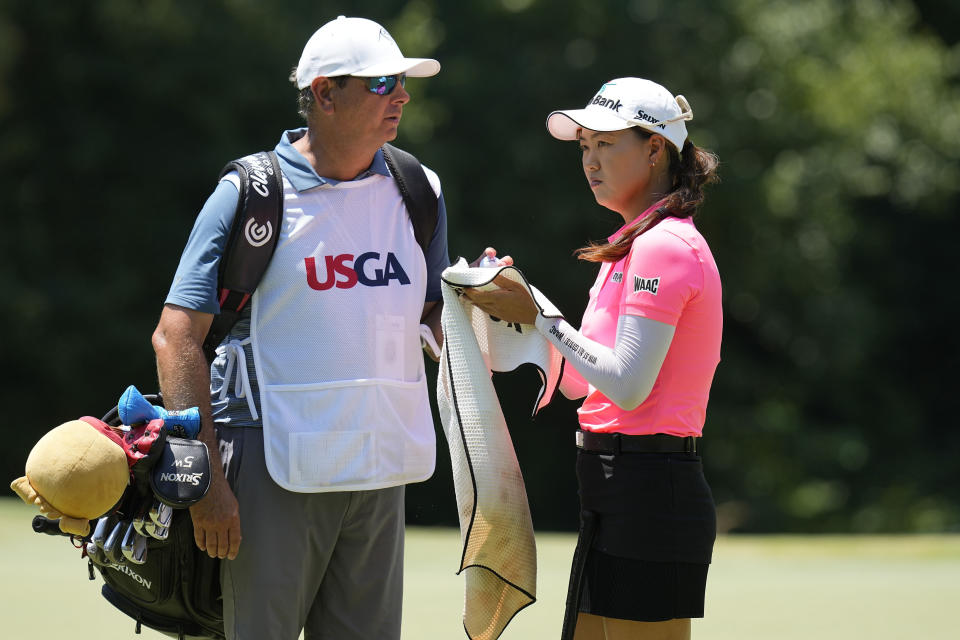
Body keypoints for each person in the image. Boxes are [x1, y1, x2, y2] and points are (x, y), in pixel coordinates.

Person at [152, 16, 453, 640]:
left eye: (402, 82)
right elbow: (176, 335)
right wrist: (204, 479)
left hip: (379, 464)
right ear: (324, 93)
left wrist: (484, 311)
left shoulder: (418, 188)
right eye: (382, 82)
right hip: (272, 461)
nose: (401, 95)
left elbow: (432, 313)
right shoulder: (250, 193)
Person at [463, 77, 722, 640]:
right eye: (585, 146)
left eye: (605, 144)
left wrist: (539, 314)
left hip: (651, 489)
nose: (590, 160)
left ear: (655, 149)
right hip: (610, 485)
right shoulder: (628, 246)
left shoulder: (664, 245)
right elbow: (584, 381)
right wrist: (513, 302)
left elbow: (627, 386)